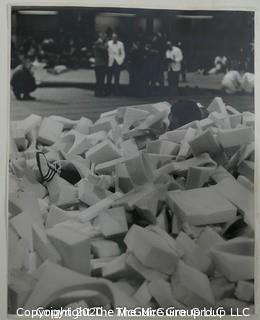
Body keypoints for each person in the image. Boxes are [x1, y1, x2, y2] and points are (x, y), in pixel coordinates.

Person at [93, 33, 108, 97]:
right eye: (105, 37)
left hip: (99, 64)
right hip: (100, 64)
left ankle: (98, 92)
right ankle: (99, 93)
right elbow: (103, 50)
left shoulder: (98, 43)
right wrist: (106, 45)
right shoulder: (99, 43)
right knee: (100, 79)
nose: (105, 38)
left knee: (99, 79)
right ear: (102, 37)